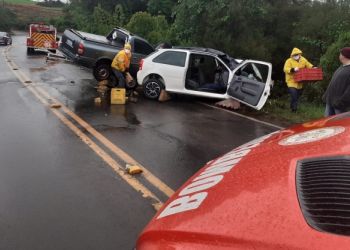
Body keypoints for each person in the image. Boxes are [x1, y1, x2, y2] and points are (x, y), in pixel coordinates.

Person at [283, 48, 313, 112]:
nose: (295, 56)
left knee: (296, 96)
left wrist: (313, 67)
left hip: (300, 82)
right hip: (291, 81)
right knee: (294, 95)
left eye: (297, 54)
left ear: (299, 54)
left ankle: (292, 106)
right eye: (294, 55)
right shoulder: (289, 61)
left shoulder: (303, 60)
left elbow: (308, 64)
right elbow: (285, 69)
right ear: (292, 55)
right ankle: (294, 110)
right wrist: (293, 69)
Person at [323, 47, 350, 116]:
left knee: (339, 125)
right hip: (330, 102)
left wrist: (341, 102)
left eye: (340, 54)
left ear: (344, 56)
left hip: (340, 106)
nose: (339, 55)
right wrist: (326, 95)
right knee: (327, 124)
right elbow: (333, 83)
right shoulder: (341, 67)